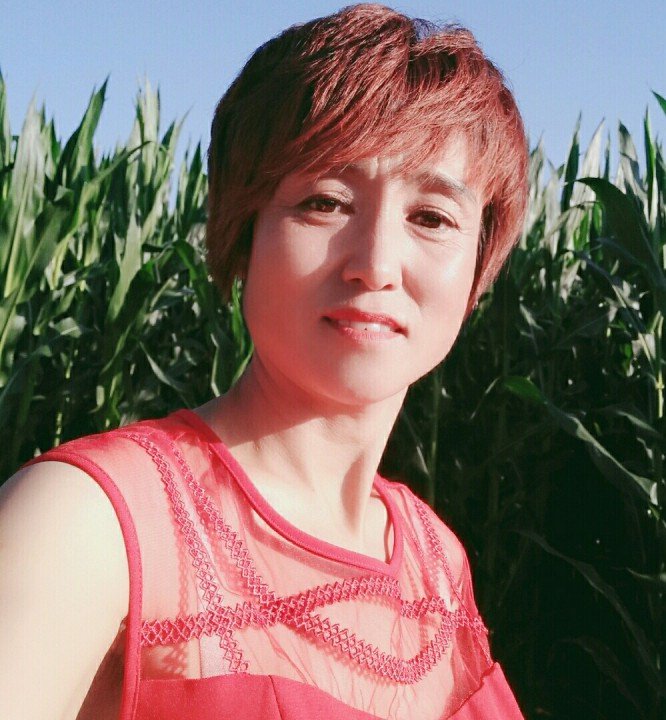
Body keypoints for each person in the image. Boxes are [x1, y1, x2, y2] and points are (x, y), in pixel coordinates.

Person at [0, 4, 528, 719]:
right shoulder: (86, 523)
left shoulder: (437, 567)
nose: (376, 265)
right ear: (241, 232)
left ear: (478, 266)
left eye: (431, 217)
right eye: (325, 202)